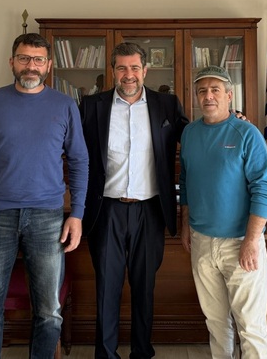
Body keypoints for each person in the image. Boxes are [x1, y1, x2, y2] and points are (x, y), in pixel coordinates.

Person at [0, 33, 89, 359]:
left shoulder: (65, 106)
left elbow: (79, 161)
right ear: (12, 62)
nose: (31, 66)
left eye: (38, 60)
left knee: (49, 311)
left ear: (49, 65)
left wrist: (77, 214)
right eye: (24, 58)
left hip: (48, 217)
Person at [79, 42, 189, 359]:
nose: (129, 75)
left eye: (135, 68)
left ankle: (142, 352)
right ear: (112, 71)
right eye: (122, 68)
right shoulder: (91, 106)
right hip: (106, 210)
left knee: (144, 287)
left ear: (145, 70)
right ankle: (105, 354)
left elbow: (196, 136)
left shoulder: (167, 104)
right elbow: (71, 149)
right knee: (107, 287)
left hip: (150, 210)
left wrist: (230, 121)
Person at [179, 65, 267, 359]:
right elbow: (186, 181)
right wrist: (185, 226)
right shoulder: (189, 133)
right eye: (202, 91)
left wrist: (251, 241)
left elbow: (264, 188)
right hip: (202, 242)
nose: (208, 96)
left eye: (215, 90)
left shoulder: (247, 133)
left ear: (229, 95)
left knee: (251, 327)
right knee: (216, 323)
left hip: (240, 243)